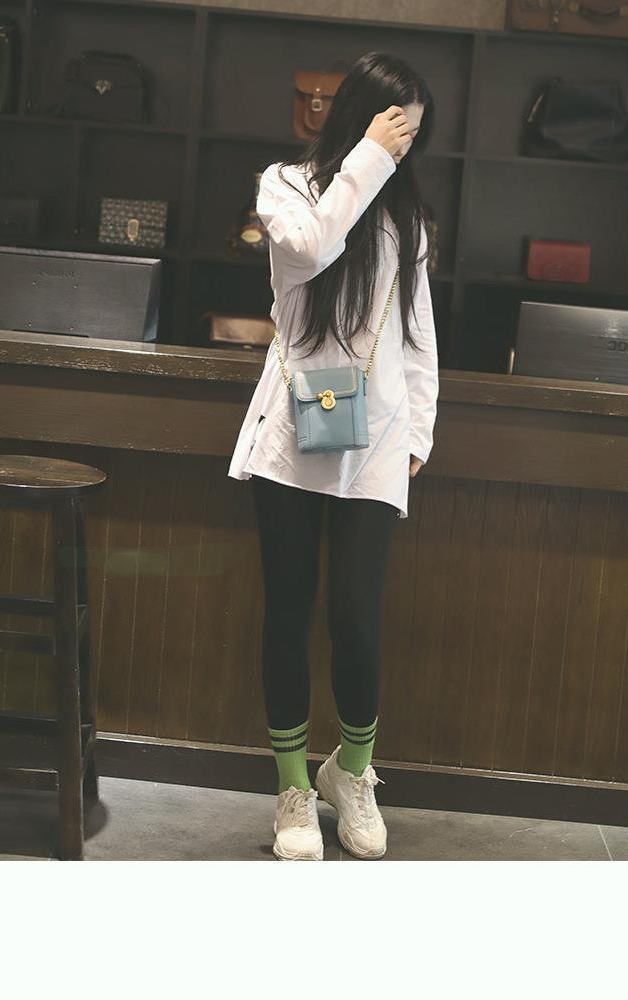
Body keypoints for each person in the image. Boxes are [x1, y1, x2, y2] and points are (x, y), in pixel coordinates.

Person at [227, 51, 439, 860]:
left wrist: (419, 433)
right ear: (363, 117)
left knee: (356, 617)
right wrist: (369, 159)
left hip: (377, 439)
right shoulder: (286, 186)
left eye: (413, 136)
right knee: (288, 609)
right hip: (292, 431)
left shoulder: (408, 218)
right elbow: (314, 247)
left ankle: (351, 772)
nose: (404, 146)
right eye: (396, 129)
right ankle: (291, 789)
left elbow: (418, 334)